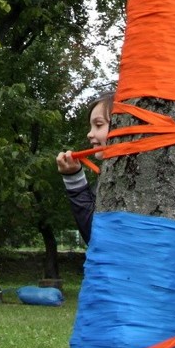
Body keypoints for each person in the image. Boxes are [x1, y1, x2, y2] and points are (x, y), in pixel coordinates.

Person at [55, 91, 114, 245]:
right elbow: (93, 234)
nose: (89, 134)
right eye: (91, 126)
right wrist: (74, 177)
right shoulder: (108, 180)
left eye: (99, 125)